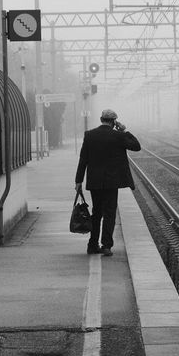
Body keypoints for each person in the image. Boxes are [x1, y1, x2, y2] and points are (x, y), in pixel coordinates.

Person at [74, 109, 141, 256]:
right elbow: (136, 146)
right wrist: (124, 130)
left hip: (95, 182)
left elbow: (83, 159)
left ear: (100, 119)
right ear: (114, 122)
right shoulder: (118, 136)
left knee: (96, 213)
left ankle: (92, 245)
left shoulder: (90, 135)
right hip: (112, 182)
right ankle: (106, 246)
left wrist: (78, 180)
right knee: (110, 213)